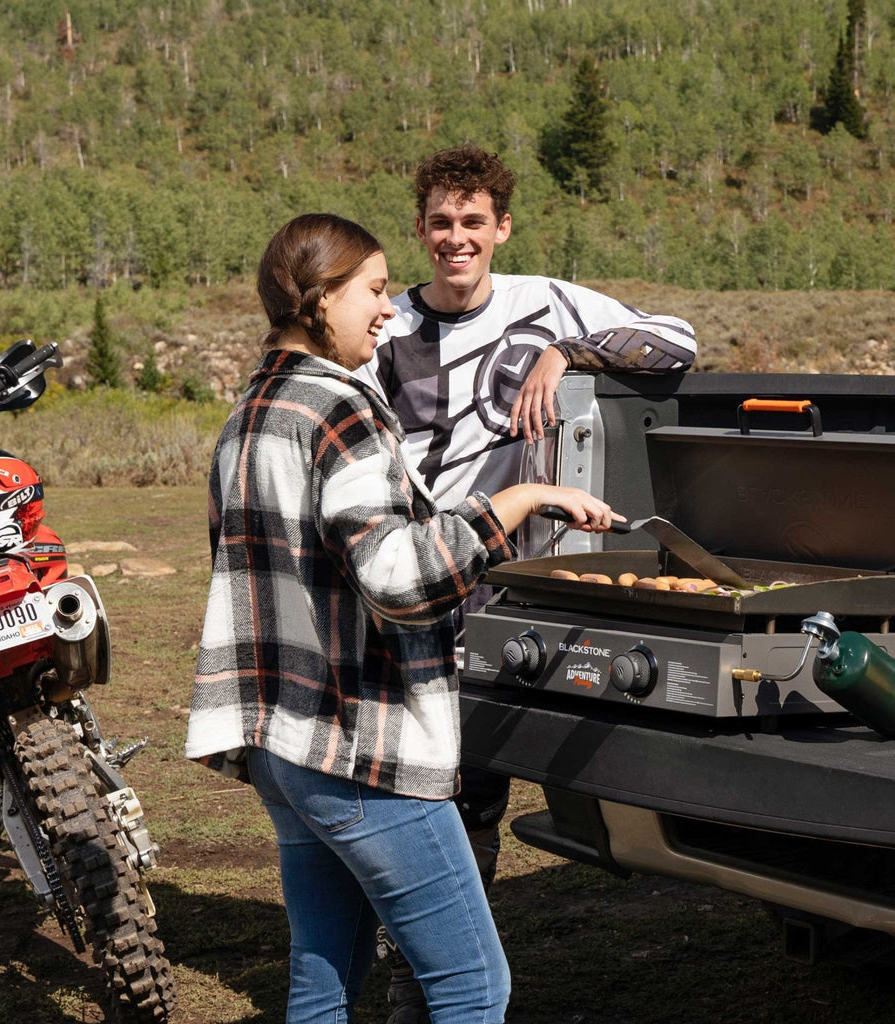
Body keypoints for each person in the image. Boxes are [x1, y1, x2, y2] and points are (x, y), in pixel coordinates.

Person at [185, 212, 618, 1024]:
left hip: (282, 742)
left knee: (326, 985)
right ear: (319, 298)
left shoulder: (251, 410)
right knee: (473, 986)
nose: (390, 311)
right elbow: (396, 579)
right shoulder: (341, 410)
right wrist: (517, 502)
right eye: (375, 291)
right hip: (360, 748)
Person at [355, 144, 698, 1024]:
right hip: (413, 591)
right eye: (440, 223)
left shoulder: (543, 302)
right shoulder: (384, 325)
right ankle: (416, 983)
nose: (456, 239)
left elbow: (677, 343)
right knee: (423, 789)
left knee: (487, 776)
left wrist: (570, 351)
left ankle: (450, 984)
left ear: (501, 228)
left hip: (517, 592)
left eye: (474, 222)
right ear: (421, 230)